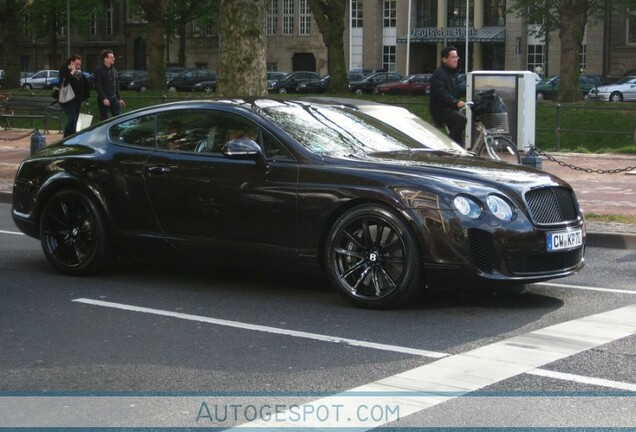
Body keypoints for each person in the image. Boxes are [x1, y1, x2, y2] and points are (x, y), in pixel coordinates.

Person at [429, 46, 467, 147]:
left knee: (459, 141)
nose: (456, 60)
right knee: (461, 120)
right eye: (453, 57)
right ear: (444, 59)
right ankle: (446, 146)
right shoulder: (439, 73)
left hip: (450, 109)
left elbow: (455, 92)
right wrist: (455, 102)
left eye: (457, 57)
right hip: (441, 110)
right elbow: (441, 93)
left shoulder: (453, 74)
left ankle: (458, 152)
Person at [58, 54, 91, 137]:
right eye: (77, 64)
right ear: (71, 63)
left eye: (80, 64)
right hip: (67, 99)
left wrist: (82, 99)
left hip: (77, 99)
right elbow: (64, 83)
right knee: (72, 117)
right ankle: (66, 137)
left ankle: (72, 136)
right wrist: (72, 72)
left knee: (75, 118)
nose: (78, 66)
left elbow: (82, 85)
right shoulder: (64, 70)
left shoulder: (79, 72)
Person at [93, 49, 125, 121]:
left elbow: (116, 85)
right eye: (111, 57)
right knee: (104, 119)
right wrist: (104, 98)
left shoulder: (113, 69)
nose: (114, 58)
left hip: (113, 98)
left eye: (113, 57)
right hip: (104, 99)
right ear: (105, 59)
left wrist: (119, 98)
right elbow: (98, 86)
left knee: (118, 117)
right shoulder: (99, 70)